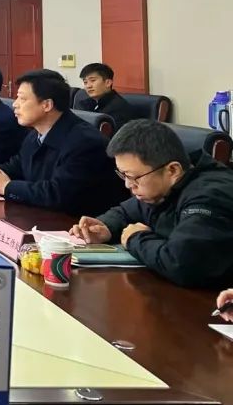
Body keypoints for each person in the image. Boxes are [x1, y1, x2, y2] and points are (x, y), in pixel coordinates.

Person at [69, 120, 233, 288]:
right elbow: (127, 211)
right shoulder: (165, 184)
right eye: (123, 175)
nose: (128, 185)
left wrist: (135, 238)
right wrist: (106, 227)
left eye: (133, 177)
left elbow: (182, 264)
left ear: (173, 170)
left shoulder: (211, 196)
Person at [0, 69, 126, 216]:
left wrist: (6, 187)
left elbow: (58, 194)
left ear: (47, 105)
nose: (15, 104)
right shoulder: (34, 135)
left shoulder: (85, 142)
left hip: (80, 223)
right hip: (42, 217)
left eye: (22, 99)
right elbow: (16, 166)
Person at [73, 62, 136, 129]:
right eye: (85, 82)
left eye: (93, 80)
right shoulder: (85, 104)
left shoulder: (119, 108)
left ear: (108, 83)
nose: (88, 86)